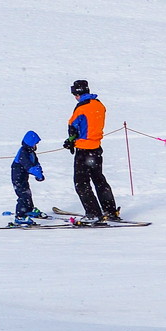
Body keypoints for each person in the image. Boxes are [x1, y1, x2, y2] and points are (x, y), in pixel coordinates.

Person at [64, 79, 120, 223]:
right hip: (96, 149)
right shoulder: (99, 105)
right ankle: (110, 210)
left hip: (83, 150)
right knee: (99, 180)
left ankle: (93, 213)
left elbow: (72, 126)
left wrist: (70, 141)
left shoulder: (81, 107)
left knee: (81, 183)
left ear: (77, 93)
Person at [10, 131, 46, 226]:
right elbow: (29, 167)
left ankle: (29, 209)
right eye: (35, 143)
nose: (36, 146)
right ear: (30, 143)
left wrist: (40, 173)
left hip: (23, 177)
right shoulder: (23, 153)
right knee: (23, 195)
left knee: (27, 193)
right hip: (17, 177)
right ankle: (20, 216)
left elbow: (35, 164)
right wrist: (37, 174)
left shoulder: (31, 153)